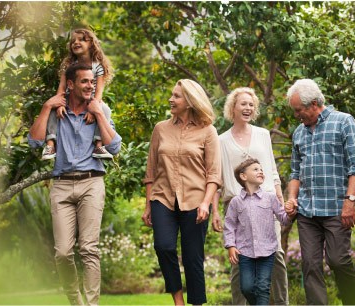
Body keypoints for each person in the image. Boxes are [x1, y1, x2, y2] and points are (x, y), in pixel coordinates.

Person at [28, 63, 122, 306]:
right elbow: (34, 142)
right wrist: (47, 105)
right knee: (62, 253)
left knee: (89, 249)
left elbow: (114, 147)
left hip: (92, 182)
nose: (91, 86)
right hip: (61, 184)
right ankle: (75, 301)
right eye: (84, 82)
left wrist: (99, 113)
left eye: (92, 81)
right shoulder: (56, 112)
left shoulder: (102, 109)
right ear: (70, 85)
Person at [141, 79, 222, 305]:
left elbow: (214, 174)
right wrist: (148, 205)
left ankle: (196, 303)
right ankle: (178, 302)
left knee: (192, 257)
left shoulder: (208, 131)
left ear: (190, 101)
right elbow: (150, 172)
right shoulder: (160, 129)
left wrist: (206, 203)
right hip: (162, 198)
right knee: (163, 246)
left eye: (176, 96)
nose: (171, 99)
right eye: (172, 95)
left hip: (196, 200)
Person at [285, 79, 355, 305]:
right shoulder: (299, 132)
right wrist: (292, 198)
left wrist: (350, 201)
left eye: (298, 110)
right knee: (310, 265)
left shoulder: (344, 122)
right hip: (307, 212)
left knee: (338, 260)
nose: (296, 115)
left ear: (313, 104)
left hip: (336, 208)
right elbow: (295, 171)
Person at [211, 87, 290, 305]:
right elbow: (217, 179)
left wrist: (280, 201)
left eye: (251, 104)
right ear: (232, 108)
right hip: (236, 207)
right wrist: (215, 211)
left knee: (277, 256)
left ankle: (283, 303)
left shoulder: (263, 135)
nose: (248, 108)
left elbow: (272, 171)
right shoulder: (221, 141)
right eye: (243, 104)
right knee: (238, 259)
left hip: (266, 204)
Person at [224, 158, 296, 305]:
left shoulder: (270, 198)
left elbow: (283, 218)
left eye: (261, 169)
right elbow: (229, 225)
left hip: (267, 251)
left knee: (263, 288)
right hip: (244, 252)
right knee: (246, 288)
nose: (261, 172)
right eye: (255, 169)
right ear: (243, 176)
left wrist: (290, 214)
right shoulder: (236, 201)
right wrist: (231, 246)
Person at [42, 28, 113, 161]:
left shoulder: (98, 66)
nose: (76, 42)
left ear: (91, 43)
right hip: (71, 99)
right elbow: (61, 88)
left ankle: (99, 145)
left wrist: (93, 110)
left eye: (81, 39)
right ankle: (50, 144)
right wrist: (59, 104)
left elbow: (98, 93)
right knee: (52, 107)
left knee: (105, 110)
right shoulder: (68, 65)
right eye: (73, 41)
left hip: (91, 100)